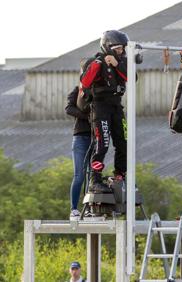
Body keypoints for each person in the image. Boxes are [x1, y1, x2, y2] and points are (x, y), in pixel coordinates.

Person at [80, 30, 129, 193]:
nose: (121, 52)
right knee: (103, 143)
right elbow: (85, 82)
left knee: (123, 141)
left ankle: (120, 175)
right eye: (118, 49)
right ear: (108, 47)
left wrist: (116, 63)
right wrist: (98, 64)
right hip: (101, 108)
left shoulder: (122, 63)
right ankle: (95, 179)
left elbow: (132, 77)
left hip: (117, 107)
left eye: (123, 49)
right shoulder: (97, 62)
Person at [65, 84, 91, 218]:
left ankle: (89, 208)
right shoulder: (77, 89)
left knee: (92, 175)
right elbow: (68, 108)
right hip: (80, 136)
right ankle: (74, 208)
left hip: (95, 137)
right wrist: (85, 116)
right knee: (79, 175)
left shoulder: (101, 89)